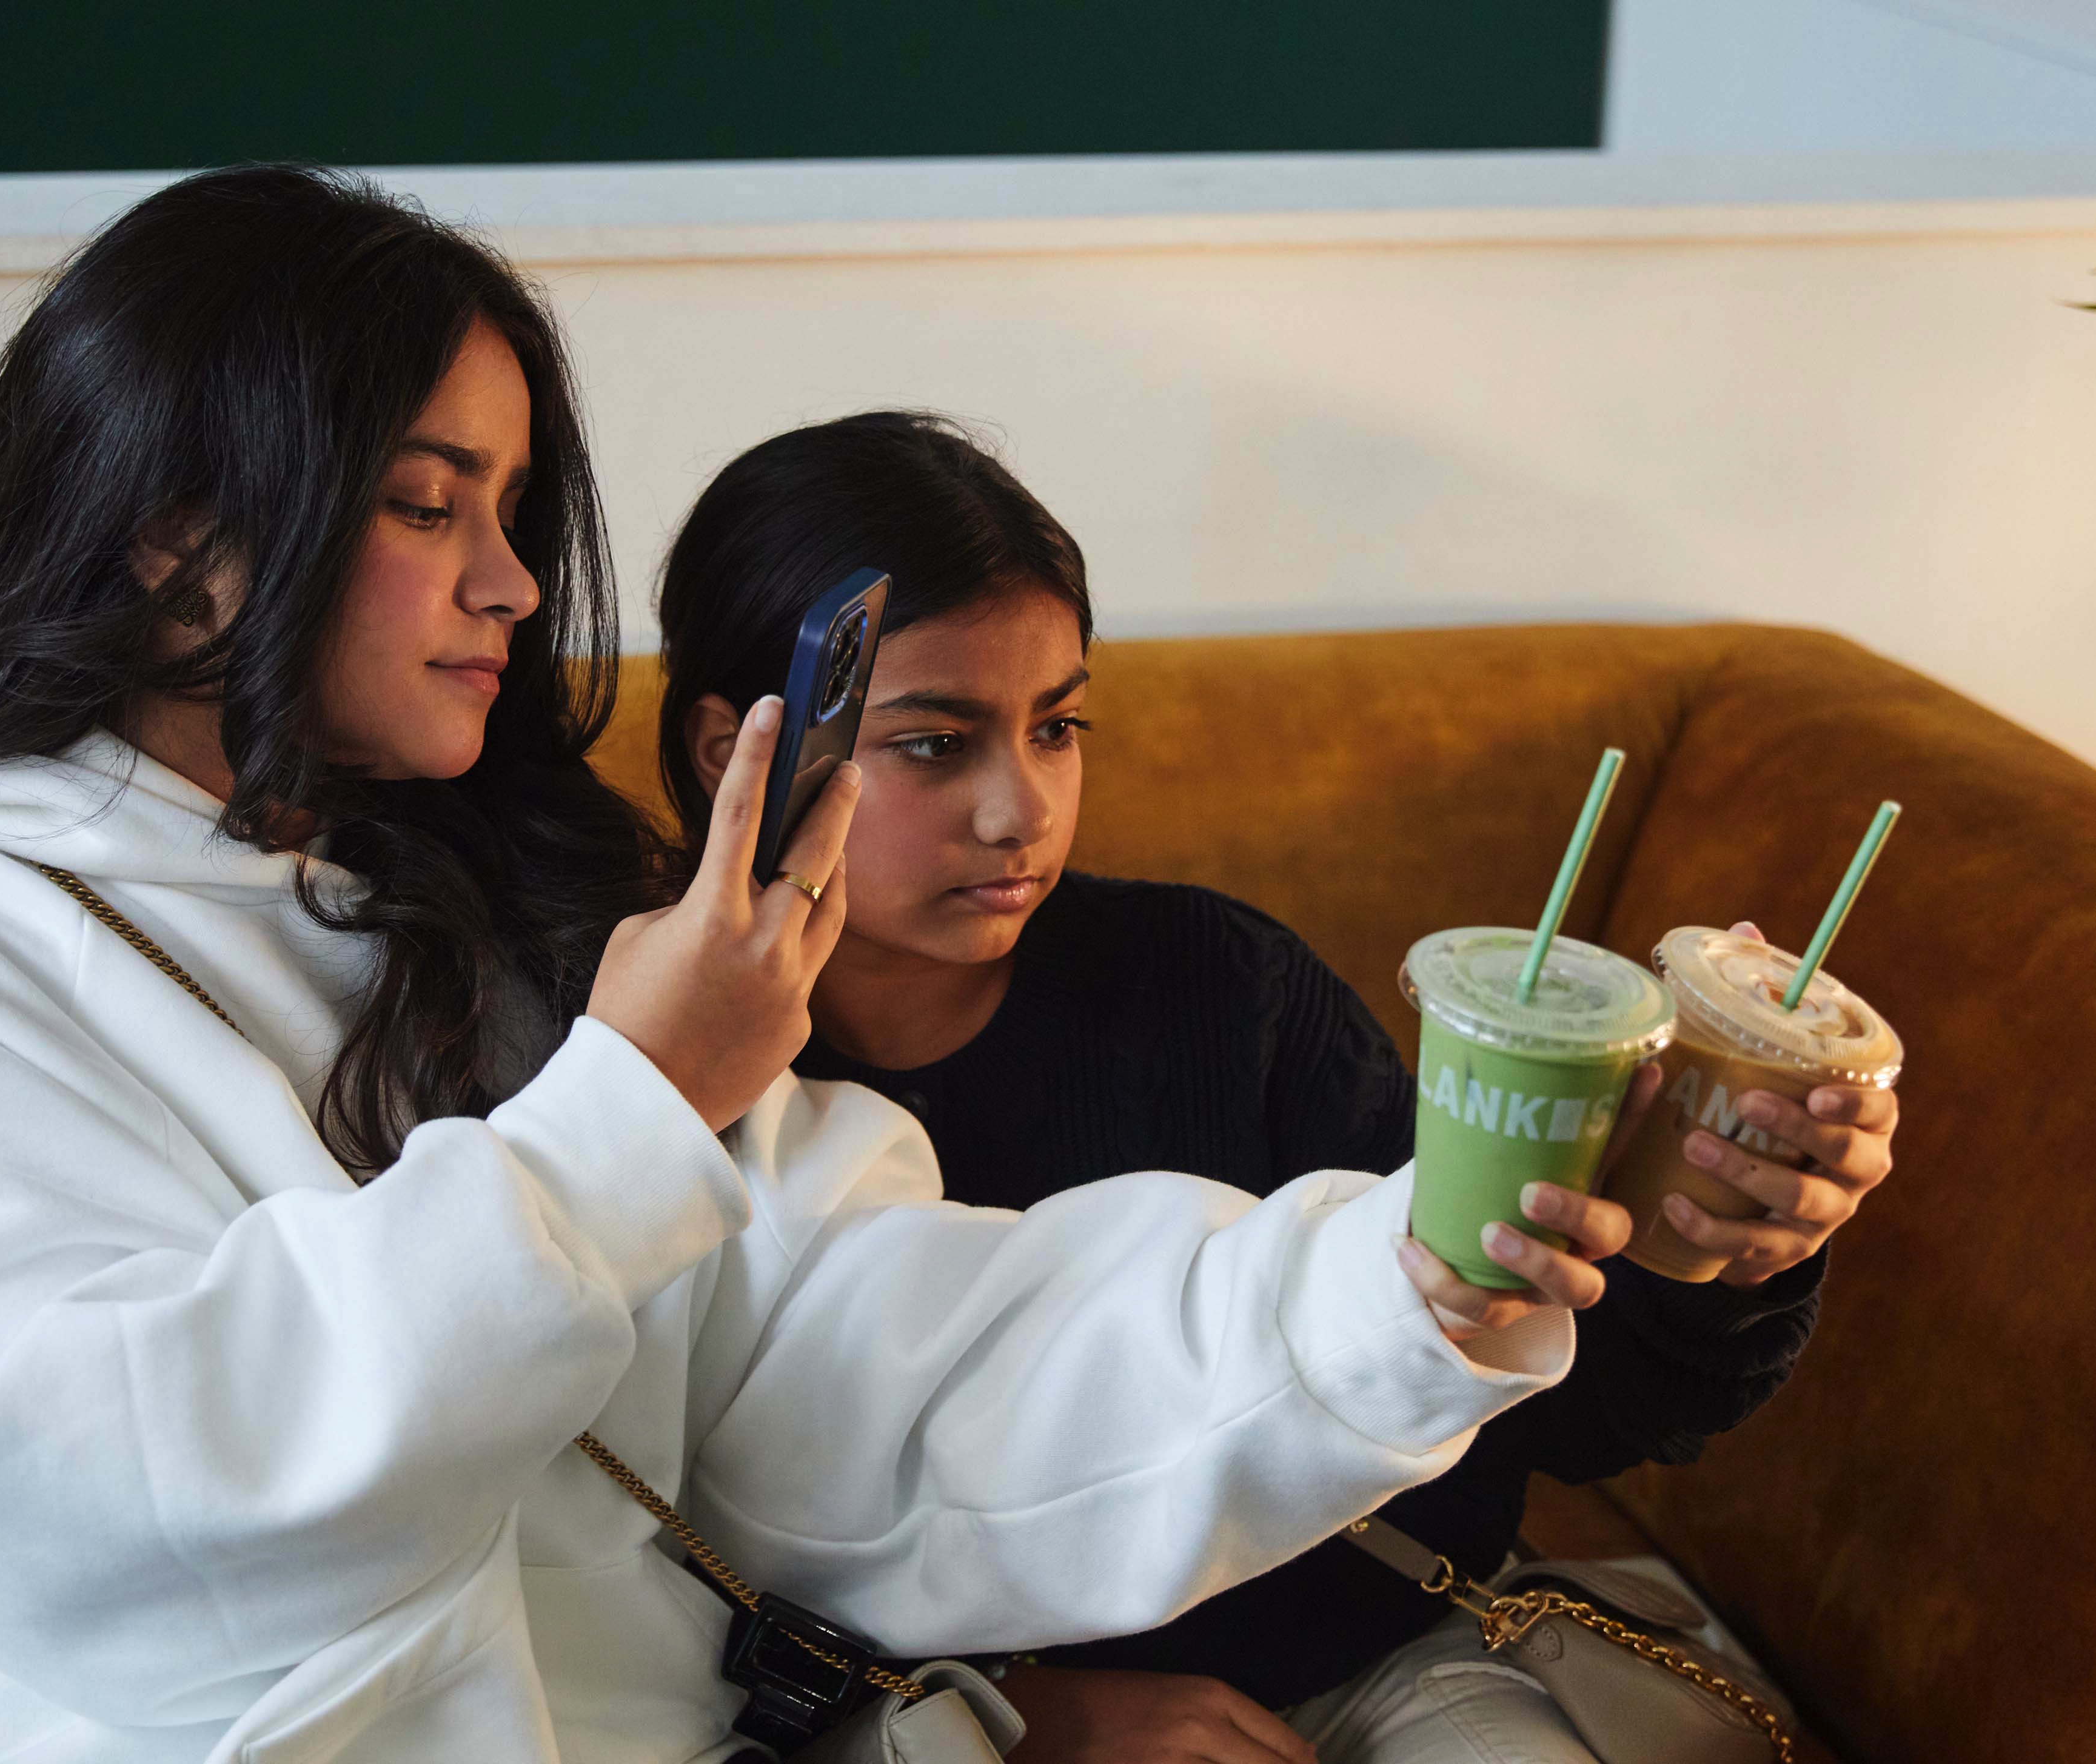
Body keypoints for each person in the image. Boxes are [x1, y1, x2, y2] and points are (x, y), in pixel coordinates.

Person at [0, 170, 1592, 1764]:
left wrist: (1397, 1279)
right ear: (179, 536)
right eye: (426, 505)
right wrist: (625, 1114)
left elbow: (877, 1368)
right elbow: (115, 1506)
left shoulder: (447, 902)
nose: (512, 585)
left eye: (508, 510)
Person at [655, 411, 1901, 1764]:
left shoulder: (1221, 986)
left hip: (1388, 1665)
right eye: (934, 744)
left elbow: (1567, 1408)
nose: (1024, 812)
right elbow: (635, 1568)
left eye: (1059, 726)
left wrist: (1721, 1241)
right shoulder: (657, 1079)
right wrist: (1014, 1715)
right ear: (735, 750)